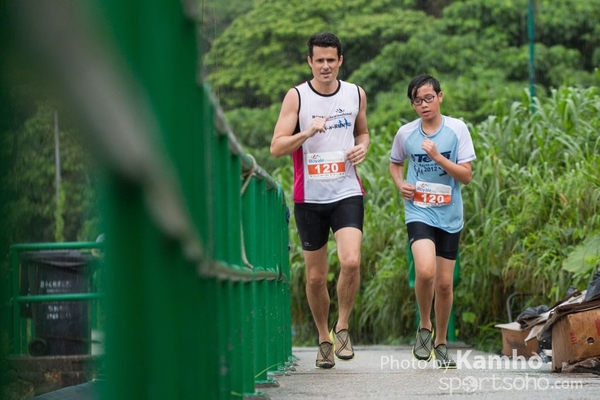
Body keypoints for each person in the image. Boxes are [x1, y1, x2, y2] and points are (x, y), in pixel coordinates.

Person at [270, 32, 370, 369]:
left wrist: (362, 147)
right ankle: (324, 337)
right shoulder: (297, 97)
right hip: (309, 197)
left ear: (340, 60)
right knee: (315, 277)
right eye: (319, 60)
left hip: (346, 191)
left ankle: (342, 326)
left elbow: (362, 131)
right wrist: (307, 132)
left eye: (331, 60)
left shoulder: (355, 93)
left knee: (351, 261)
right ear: (310, 62)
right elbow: (276, 147)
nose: (325, 66)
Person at [389, 74, 475, 368]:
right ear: (412, 105)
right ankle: (424, 325)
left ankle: (441, 342)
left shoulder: (457, 129)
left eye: (428, 98)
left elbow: (466, 175)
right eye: (417, 101)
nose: (424, 105)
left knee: (445, 284)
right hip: (419, 211)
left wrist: (438, 157)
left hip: (449, 214)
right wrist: (401, 184)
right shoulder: (406, 134)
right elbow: (395, 163)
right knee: (425, 272)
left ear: (440, 97)